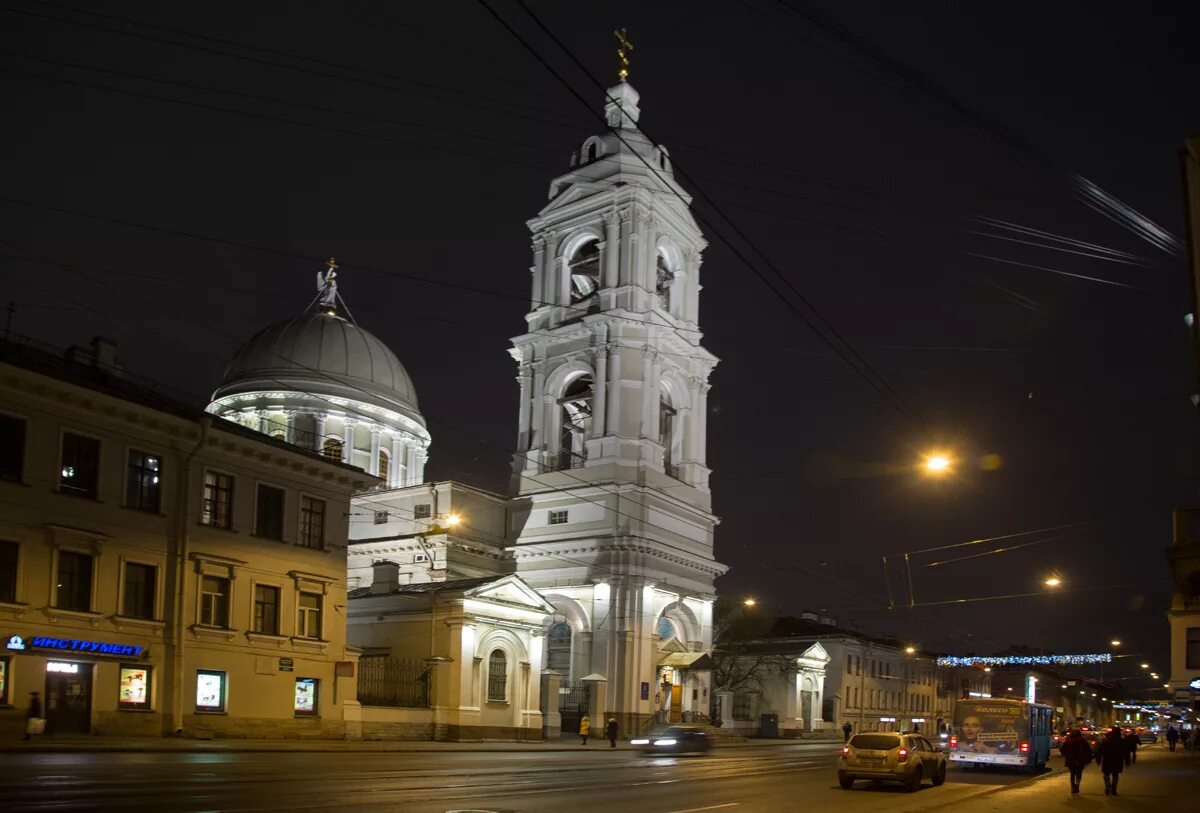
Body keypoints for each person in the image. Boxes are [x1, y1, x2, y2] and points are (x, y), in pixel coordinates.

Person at [1094, 727, 1126, 796]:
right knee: (1115, 775)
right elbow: (1125, 752)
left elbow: (1099, 751)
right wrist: (1127, 761)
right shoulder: (1121, 741)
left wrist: (1098, 760)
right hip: (1117, 760)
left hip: (1107, 760)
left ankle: (1107, 785)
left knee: (1106, 774)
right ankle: (1114, 790)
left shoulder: (1105, 741)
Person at [1059, 729, 1092, 794]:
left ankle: (1073, 787)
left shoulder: (1068, 741)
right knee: (1079, 773)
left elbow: (1062, 750)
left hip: (1071, 760)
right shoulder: (1083, 740)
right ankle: (1077, 784)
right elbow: (1088, 750)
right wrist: (1088, 759)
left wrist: (1066, 754)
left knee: (1072, 774)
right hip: (1080, 760)